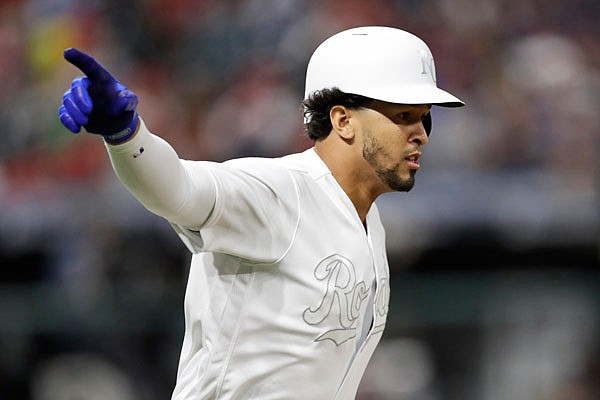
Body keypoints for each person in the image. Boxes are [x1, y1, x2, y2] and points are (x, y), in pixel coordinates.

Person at [58, 26, 464, 400]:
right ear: (343, 120)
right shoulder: (279, 190)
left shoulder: (369, 223)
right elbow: (177, 190)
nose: (422, 133)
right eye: (404, 116)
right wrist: (126, 134)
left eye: (424, 117)